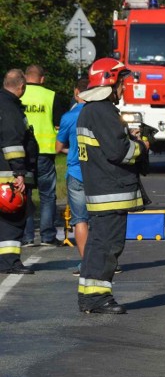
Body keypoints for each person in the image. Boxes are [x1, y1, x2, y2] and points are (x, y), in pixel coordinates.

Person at [76, 58, 149, 314]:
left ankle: (89, 295)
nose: (124, 87)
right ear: (110, 81)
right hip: (111, 190)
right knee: (108, 247)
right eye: (122, 82)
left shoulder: (90, 110)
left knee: (97, 245)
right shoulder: (103, 111)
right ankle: (98, 299)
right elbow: (119, 152)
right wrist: (141, 147)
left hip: (100, 190)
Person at [21, 64, 65, 247]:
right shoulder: (51, 96)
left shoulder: (17, 94)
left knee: (25, 193)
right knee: (47, 195)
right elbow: (58, 126)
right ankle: (47, 236)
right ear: (42, 79)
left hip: (23, 152)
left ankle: (27, 237)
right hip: (46, 152)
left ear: (24, 78)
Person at [0, 69, 39, 274]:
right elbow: (13, 143)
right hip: (8, 175)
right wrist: (20, 173)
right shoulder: (10, 109)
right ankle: (10, 262)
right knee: (12, 220)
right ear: (21, 87)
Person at [56, 78, 89, 276]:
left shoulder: (69, 117)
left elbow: (58, 147)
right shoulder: (100, 114)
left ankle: (86, 263)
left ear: (77, 92)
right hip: (98, 174)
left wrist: (72, 151)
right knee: (101, 220)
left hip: (76, 173)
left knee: (80, 220)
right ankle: (105, 261)